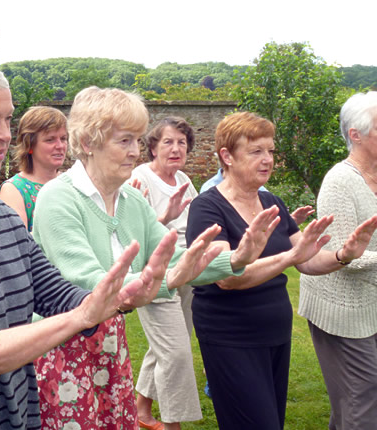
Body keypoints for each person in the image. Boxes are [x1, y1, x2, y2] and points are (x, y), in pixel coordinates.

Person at [0, 52, 183, 429]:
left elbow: (58, 295)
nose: (5, 134)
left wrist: (119, 298)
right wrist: (83, 315)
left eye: (7, 118)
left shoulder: (4, 218)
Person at [32, 88, 281, 429]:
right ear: (89, 142)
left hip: (108, 340)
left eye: (137, 140)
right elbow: (87, 281)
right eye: (125, 141)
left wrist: (236, 258)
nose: (136, 152)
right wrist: (169, 279)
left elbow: (175, 257)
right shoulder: (57, 199)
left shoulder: (131, 200)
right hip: (60, 346)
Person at [185, 111, 377, 430]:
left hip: (275, 333)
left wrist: (344, 254)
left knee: (271, 420)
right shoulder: (207, 208)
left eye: (270, 151)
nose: (267, 159)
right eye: (256, 151)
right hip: (231, 337)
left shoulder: (270, 201)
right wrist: (289, 257)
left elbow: (308, 260)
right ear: (226, 156)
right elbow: (228, 278)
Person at [299, 91, 377, 430]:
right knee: (363, 393)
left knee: (355, 397)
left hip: (370, 305)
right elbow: (345, 257)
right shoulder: (340, 181)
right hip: (340, 309)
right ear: (355, 135)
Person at [130, 117, 201, 430]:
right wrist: (164, 217)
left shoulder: (184, 179)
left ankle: (141, 410)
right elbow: (131, 235)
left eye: (182, 142)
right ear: (153, 148)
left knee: (170, 343)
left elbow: (197, 220)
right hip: (155, 276)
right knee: (176, 354)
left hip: (188, 272)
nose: (176, 149)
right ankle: (174, 425)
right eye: (168, 142)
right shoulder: (139, 179)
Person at [0, 106, 68, 231]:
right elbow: (19, 244)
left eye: (63, 139)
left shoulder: (71, 183)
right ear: (29, 145)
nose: (60, 146)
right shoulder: (14, 190)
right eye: (50, 140)